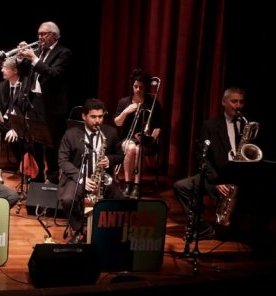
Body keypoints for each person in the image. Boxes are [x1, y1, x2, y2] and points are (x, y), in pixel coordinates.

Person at [173, 86, 251, 240]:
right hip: (216, 178)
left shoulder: (246, 126)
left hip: (239, 179)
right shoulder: (210, 125)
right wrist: (216, 181)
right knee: (181, 186)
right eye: (234, 101)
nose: (238, 106)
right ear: (223, 102)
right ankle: (203, 227)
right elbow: (201, 156)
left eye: (241, 102)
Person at [56, 98, 124, 244]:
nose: (97, 121)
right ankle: (79, 230)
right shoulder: (71, 134)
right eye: (93, 117)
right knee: (68, 199)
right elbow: (62, 160)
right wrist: (81, 178)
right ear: (84, 116)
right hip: (79, 177)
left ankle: (108, 232)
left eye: (100, 116)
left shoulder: (110, 132)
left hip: (101, 177)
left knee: (121, 201)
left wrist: (109, 159)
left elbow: (120, 156)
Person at [15, 21, 71, 184]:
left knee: (51, 145)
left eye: (43, 34)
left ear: (54, 35)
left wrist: (33, 58)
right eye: (38, 34)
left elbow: (53, 74)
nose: (39, 37)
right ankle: (37, 178)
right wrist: (20, 58)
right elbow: (25, 72)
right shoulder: (39, 51)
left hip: (52, 106)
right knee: (34, 144)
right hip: (34, 102)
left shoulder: (64, 53)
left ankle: (52, 180)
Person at [113, 69, 164, 199]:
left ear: (146, 87)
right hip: (127, 138)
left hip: (145, 140)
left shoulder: (153, 103)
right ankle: (128, 183)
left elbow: (158, 127)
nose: (137, 90)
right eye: (135, 86)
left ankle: (136, 185)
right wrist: (126, 111)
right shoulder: (124, 102)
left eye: (141, 87)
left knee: (138, 148)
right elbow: (117, 123)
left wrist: (151, 137)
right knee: (131, 148)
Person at [0, 57, 29, 172]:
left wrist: (15, 128)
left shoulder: (26, 85)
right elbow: (0, 108)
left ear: (15, 71)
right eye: (2, 67)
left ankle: (25, 166)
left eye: (5, 68)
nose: (2, 70)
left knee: (19, 136)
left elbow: (27, 112)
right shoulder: (1, 86)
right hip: (6, 121)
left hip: (22, 121)